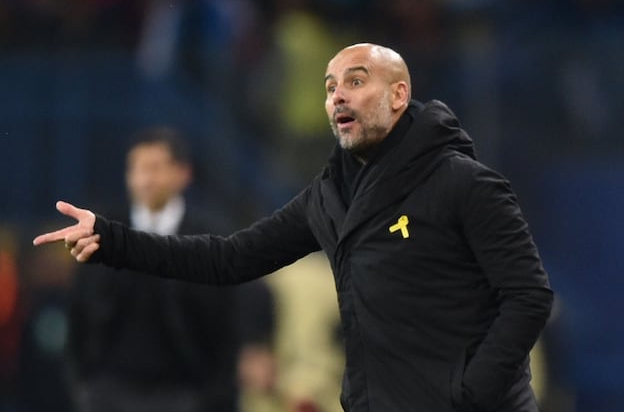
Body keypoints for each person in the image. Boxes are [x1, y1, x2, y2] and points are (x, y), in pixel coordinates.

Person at [34, 43, 554, 412]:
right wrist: (113, 238)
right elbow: (229, 259)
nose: (338, 97)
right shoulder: (329, 197)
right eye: (330, 88)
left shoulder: (465, 183)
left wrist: (471, 394)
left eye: (356, 81)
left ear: (399, 95)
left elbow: (529, 296)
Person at [66, 127, 251, 412]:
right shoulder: (101, 234)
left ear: (183, 174)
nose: (144, 180)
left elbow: (227, 328)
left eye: (154, 168)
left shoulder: (210, 239)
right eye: (136, 169)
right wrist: (84, 388)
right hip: (109, 393)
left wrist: (213, 398)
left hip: (185, 394)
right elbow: (79, 316)